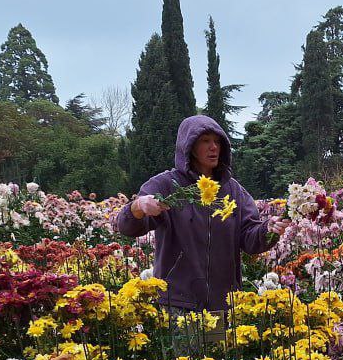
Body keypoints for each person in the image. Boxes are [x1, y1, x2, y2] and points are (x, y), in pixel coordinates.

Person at [112, 115, 279, 315]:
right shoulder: (166, 186)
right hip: (179, 303)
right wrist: (138, 206)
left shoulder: (234, 191)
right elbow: (126, 226)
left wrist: (268, 230)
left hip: (224, 303)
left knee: (221, 347)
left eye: (217, 141)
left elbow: (250, 239)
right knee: (188, 347)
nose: (214, 147)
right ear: (188, 146)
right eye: (205, 140)